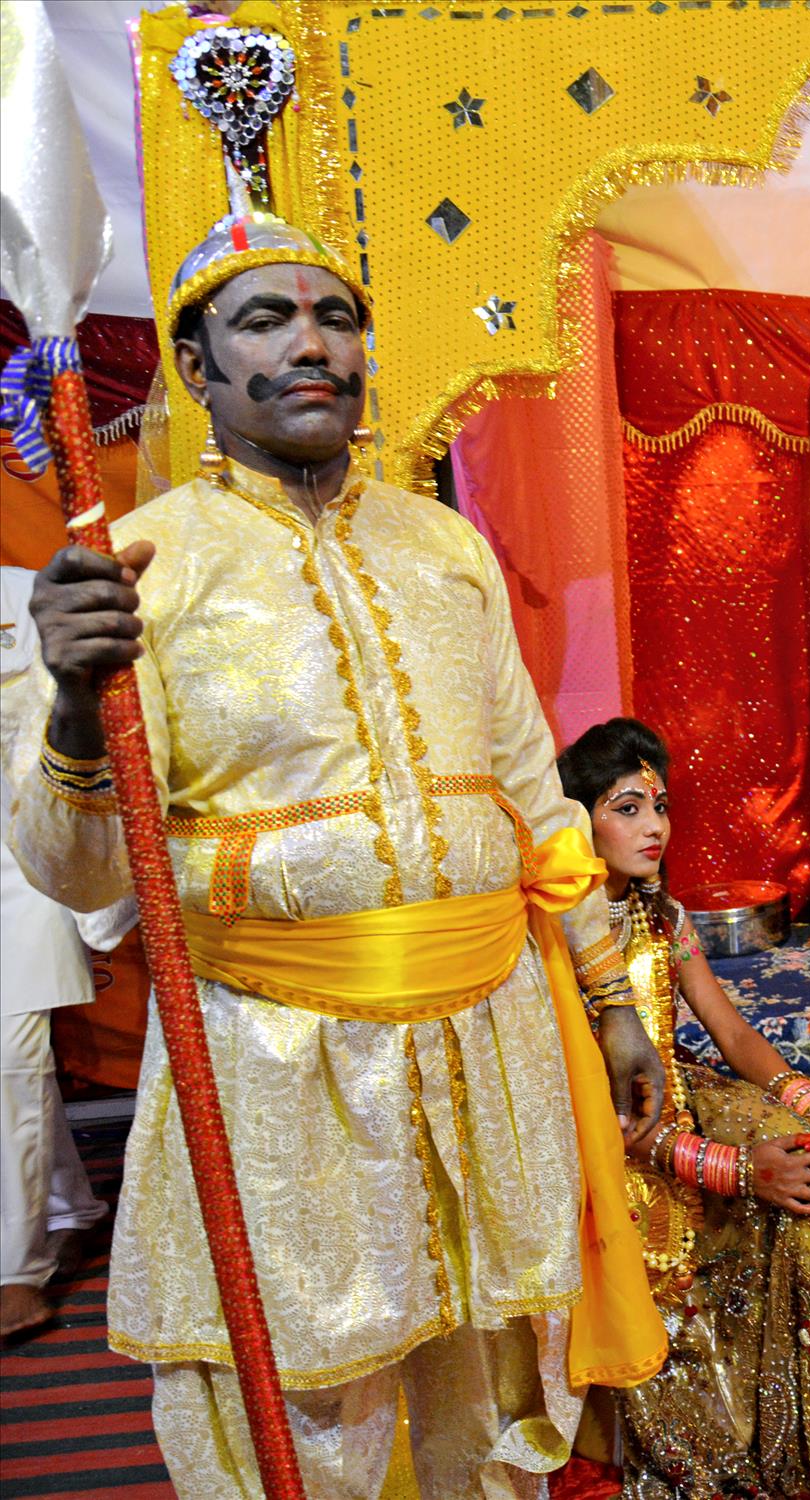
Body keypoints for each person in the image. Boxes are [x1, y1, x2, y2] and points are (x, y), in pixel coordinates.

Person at [6, 212, 669, 1498]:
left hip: (492, 1040)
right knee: (311, 1411)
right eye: (265, 320)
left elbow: (532, 794)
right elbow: (77, 876)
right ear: (196, 369)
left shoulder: (445, 546)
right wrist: (78, 702)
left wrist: (610, 998)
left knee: (497, 1381)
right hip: (275, 1056)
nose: (311, 345)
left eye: (336, 318)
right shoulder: (142, 567)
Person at [558, 718, 810, 1499]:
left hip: (677, 1107)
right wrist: (737, 1170)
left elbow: (731, 1030)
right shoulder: (559, 941)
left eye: (660, 806)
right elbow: (595, 1115)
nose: (654, 827)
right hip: (603, 1156)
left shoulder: (662, 919)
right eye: (627, 808)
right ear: (578, 822)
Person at [0, 564, 134, 1340]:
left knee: (10, 1061)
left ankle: (15, 1270)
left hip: (21, 860)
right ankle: (66, 1205)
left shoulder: (34, 594)